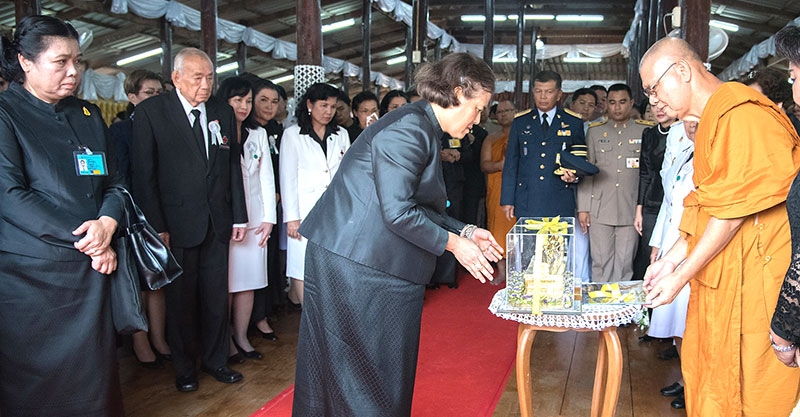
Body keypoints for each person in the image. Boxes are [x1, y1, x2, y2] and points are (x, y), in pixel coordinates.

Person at [292, 52, 503, 415]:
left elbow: (413, 202)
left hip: (366, 257)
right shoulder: (410, 128)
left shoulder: (421, 124)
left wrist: (466, 229)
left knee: (372, 371)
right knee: (365, 373)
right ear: (456, 92)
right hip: (356, 261)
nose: (478, 119)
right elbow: (400, 212)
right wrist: (457, 246)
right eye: (477, 108)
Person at [641, 36, 800, 416]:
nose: (653, 100)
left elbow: (731, 214)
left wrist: (679, 277)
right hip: (723, 277)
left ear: (682, 70)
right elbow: (706, 202)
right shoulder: (710, 120)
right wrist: (671, 259)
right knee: (712, 375)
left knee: (755, 389)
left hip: (757, 281)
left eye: (653, 88)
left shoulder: (743, 114)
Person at [0, 15, 125, 415]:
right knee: (39, 385)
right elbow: (10, 194)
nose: (73, 71)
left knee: (95, 376)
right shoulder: (6, 113)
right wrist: (89, 241)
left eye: (78, 61)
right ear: (25, 62)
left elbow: (116, 183)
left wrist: (107, 222)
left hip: (92, 272)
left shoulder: (86, 115)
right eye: (60, 62)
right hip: (34, 277)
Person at [132, 47, 249, 392]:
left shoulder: (221, 112)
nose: (205, 84)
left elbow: (231, 168)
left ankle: (216, 361)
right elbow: (144, 174)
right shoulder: (152, 112)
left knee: (216, 298)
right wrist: (157, 226)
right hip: (176, 224)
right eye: (197, 77)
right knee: (180, 301)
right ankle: (184, 367)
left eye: (210, 77)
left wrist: (238, 217)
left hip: (217, 222)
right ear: (176, 78)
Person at [108, 68, 171, 369]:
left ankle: (159, 338)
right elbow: (120, 177)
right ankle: (140, 340)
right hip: (132, 216)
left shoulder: (169, 126)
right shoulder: (120, 131)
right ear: (132, 97)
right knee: (139, 281)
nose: (155, 98)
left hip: (163, 213)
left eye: (159, 93)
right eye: (148, 93)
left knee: (159, 280)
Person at [500, 70, 587, 279]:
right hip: (528, 199)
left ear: (559, 94)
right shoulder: (521, 121)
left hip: (559, 197)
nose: (543, 97)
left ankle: (554, 301)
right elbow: (512, 163)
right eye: (538, 91)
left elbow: (579, 161)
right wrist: (507, 199)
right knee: (527, 253)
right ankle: (529, 302)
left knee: (557, 258)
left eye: (548, 92)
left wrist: (574, 176)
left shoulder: (573, 121)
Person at [215, 77, 277, 363]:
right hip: (226, 221)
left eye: (247, 101)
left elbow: (266, 177)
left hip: (255, 220)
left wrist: (268, 219)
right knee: (225, 283)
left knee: (248, 282)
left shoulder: (258, 133)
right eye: (237, 100)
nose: (243, 106)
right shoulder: (215, 130)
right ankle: (225, 338)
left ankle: (241, 335)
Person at [279, 82, 351, 307]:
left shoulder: (341, 134)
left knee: (332, 262)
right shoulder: (292, 135)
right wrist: (292, 217)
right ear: (309, 104)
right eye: (323, 105)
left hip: (335, 211)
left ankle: (328, 312)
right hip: (304, 210)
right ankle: (306, 313)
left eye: (332, 106)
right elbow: (287, 177)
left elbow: (348, 174)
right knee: (301, 264)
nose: (328, 111)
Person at [577, 83, 653, 282]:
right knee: (600, 261)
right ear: (606, 105)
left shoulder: (644, 131)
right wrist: (583, 208)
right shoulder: (594, 132)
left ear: (631, 103)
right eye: (612, 102)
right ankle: (602, 308)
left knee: (625, 262)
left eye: (622, 102)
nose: (617, 107)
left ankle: (620, 310)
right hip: (600, 207)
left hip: (630, 208)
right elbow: (587, 171)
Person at [646, 120, 696, 410]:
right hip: (671, 243)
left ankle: (694, 382)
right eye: (687, 122)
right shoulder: (682, 155)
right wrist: (657, 246)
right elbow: (668, 204)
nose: (691, 127)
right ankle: (685, 377)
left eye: (697, 122)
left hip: (695, 248)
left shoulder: (713, 157)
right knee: (677, 321)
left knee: (690, 322)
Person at [248, 79, 283, 339]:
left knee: (269, 263)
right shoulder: (245, 130)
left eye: (274, 101)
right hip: (252, 209)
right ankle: (250, 318)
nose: (270, 106)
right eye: (263, 100)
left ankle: (264, 312)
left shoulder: (277, 130)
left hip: (275, 206)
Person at [632, 103, 672, 280]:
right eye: (654, 107)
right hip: (652, 203)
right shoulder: (649, 133)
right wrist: (639, 209)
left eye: (664, 106)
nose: (659, 110)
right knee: (649, 255)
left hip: (676, 202)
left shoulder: (686, 132)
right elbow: (645, 173)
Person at [481, 98, 518, 281]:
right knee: (497, 228)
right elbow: (484, 165)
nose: (503, 115)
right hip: (497, 189)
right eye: (500, 112)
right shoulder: (491, 138)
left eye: (507, 110)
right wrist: (500, 165)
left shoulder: (523, 135)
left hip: (519, 189)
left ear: (515, 112)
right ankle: (502, 272)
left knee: (518, 228)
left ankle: (518, 271)